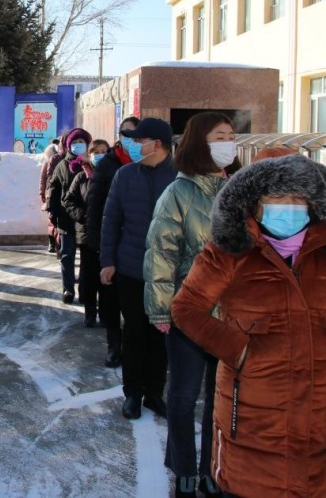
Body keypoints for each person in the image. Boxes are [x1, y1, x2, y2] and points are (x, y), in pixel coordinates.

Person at [171, 148, 326, 497]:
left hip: (320, 419)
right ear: (255, 201)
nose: (288, 206)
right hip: (252, 417)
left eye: (297, 197)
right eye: (277, 196)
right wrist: (241, 351)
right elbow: (186, 309)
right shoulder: (230, 253)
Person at [142, 111, 240, 498]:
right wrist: (162, 309)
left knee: (222, 403)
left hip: (230, 319)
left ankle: (212, 473)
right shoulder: (178, 193)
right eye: (220, 135)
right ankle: (184, 475)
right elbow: (161, 252)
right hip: (189, 315)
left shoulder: (240, 191)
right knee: (182, 401)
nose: (228, 143)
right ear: (201, 142)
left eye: (232, 135)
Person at [99, 118, 176, 422]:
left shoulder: (181, 177)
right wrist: (107, 261)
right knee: (134, 333)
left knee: (161, 334)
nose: (132, 145)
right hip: (130, 268)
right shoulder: (125, 175)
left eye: (138, 140)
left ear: (157, 144)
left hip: (168, 273)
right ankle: (132, 393)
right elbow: (110, 219)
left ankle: (155, 392)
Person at [86, 116, 139, 367]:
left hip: (137, 243)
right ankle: (113, 345)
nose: (130, 139)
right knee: (110, 299)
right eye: (125, 133)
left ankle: (132, 346)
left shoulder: (148, 164)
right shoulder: (108, 163)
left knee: (134, 302)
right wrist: (97, 244)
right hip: (109, 241)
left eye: (136, 134)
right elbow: (94, 206)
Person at [62, 138, 110, 327]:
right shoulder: (82, 177)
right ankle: (90, 312)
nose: (99, 155)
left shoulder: (115, 175)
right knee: (88, 277)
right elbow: (68, 200)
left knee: (107, 278)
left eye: (103, 151)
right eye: (95, 152)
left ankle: (107, 314)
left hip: (108, 234)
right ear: (89, 155)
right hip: (87, 235)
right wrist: (82, 216)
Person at [46, 127, 92, 304]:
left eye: (81, 142)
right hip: (67, 219)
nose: (78, 145)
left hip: (87, 220)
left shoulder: (92, 164)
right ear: (67, 145)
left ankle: (85, 290)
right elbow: (54, 189)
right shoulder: (62, 166)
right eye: (74, 143)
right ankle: (68, 289)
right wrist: (53, 213)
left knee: (88, 259)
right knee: (67, 255)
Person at [39, 140, 63, 253]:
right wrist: (42, 193)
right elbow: (43, 178)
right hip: (50, 194)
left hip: (61, 194)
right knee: (52, 220)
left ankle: (59, 244)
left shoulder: (63, 160)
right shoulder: (48, 161)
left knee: (59, 221)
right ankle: (51, 242)